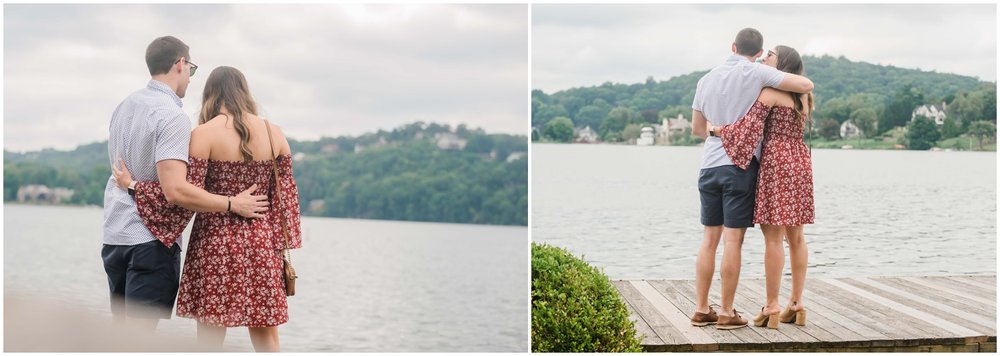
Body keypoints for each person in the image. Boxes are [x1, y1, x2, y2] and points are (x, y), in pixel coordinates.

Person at [113, 66, 303, 352]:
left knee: (210, 336)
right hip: (262, 244)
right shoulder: (274, 133)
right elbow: (285, 202)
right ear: (244, 92)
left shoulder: (203, 135)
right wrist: (277, 245)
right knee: (266, 334)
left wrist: (134, 186)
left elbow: (182, 197)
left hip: (214, 244)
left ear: (211, 95)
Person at [102, 36, 269, 332]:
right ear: (180, 64)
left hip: (114, 236)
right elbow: (176, 190)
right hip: (149, 240)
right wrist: (232, 203)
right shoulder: (172, 116)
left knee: (121, 337)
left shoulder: (123, 106)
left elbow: (121, 171)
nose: (190, 79)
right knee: (138, 340)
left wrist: (131, 186)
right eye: (191, 70)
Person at [689, 28, 814, 330]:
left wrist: (717, 131)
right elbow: (804, 83)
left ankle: (762, 306)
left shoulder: (717, 82)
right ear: (757, 54)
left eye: (773, 56)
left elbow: (747, 127)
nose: (767, 58)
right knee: (795, 238)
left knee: (759, 239)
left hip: (748, 164)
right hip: (797, 163)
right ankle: (794, 302)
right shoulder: (803, 99)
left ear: (733, 46)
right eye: (766, 53)